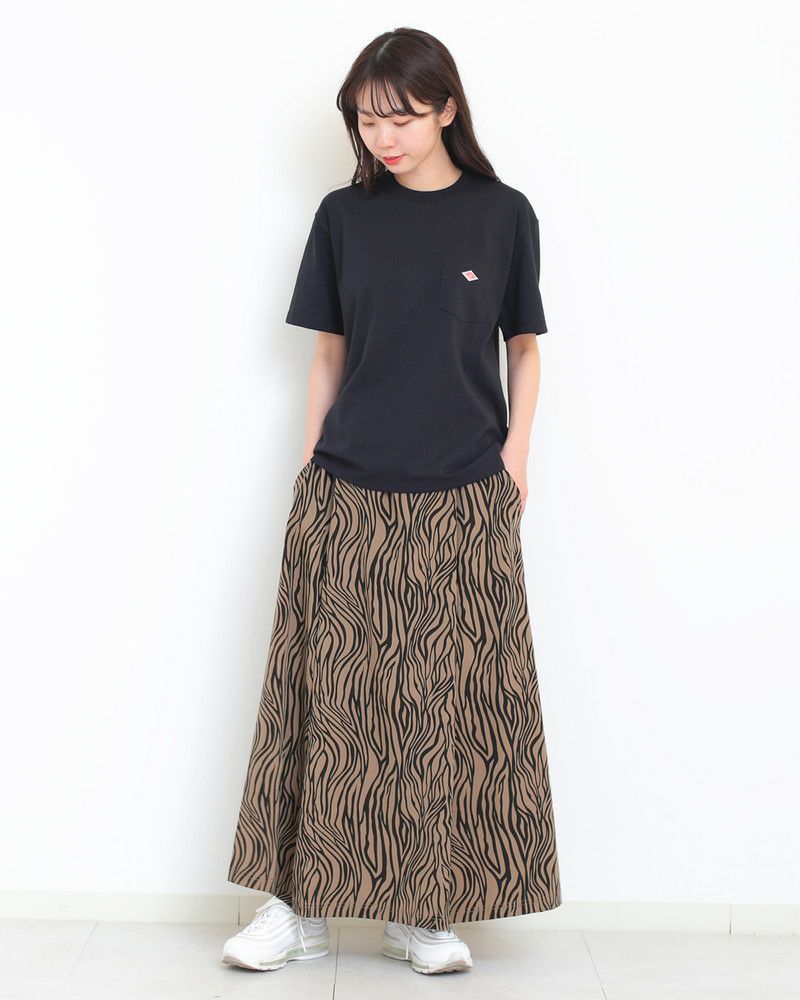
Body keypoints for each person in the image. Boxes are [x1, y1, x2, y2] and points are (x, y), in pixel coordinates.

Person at [221, 26, 562, 977]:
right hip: (348, 486)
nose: (384, 136)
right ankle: (298, 910)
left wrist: (516, 457)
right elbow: (327, 353)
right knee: (326, 703)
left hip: (465, 492)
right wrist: (309, 470)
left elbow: (524, 347)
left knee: (444, 709)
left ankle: (424, 910)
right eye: (367, 119)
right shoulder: (344, 216)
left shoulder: (503, 214)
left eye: (402, 116)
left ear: (447, 107)